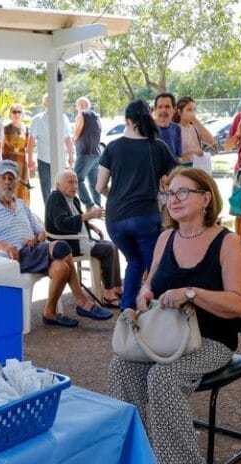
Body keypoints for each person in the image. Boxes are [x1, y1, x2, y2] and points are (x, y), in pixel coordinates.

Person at [109, 167, 241, 464]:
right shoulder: (165, 239)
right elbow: (151, 282)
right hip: (167, 336)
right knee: (121, 368)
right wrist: (144, 293)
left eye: (182, 192)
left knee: (162, 378)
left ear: (206, 198)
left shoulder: (227, 243)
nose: (174, 200)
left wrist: (192, 293)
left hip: (212, 341)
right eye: (169, 193)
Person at [0, 160, 113, 327]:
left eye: (11, 178)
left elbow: (42, 231)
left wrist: (37, 238)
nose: (7, 182)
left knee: (61, 268)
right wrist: (3, 246)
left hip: (33, 251)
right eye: (3, 177)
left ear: (16, 182)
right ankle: (82, 301)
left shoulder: (21, 204)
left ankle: (49, 313)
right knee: (62, 247)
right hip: (10, 258)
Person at [96, 99, 178, 310]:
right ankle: (159, 312)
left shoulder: (113, 147)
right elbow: (177, 173)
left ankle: (127, 310)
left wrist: (115, 196)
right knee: (154, 266)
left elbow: (99, 186)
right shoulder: (158, 146)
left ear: (127, 121)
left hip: (115, 219)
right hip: (145, 216)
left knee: (134, 261)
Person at [45, 169, 123, 306]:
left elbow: (76, 217)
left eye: (76, 182)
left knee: (112, 245)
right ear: (58, 185)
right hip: (68, 244)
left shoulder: (72, 198)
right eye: (70, 182)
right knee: (108, 249)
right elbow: (62, 223)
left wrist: (90, 226)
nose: (74, 186)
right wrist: (89, 215)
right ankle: (108, 294)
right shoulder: (56, 198)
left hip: (80, 239)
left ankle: (117, 288)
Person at [30, 94, 73, 203]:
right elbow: (31, 141)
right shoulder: (38, 119)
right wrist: (30, 159)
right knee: (46, 189)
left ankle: (64, 212)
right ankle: (49, 213)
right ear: (44, 104)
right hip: (43, 160)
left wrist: (71, 157)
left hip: (60, 159)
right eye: (49, 101)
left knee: (63, 187)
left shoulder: (63, 117)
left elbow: (68, 139)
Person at [72, 97, 102, 208]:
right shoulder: (97, 116)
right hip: (96, 153)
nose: (76, 109)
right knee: (94, 183)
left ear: (81, 105)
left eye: (76, 106)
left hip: (85, 153)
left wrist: (73, 138)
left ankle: (90, 205)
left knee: (76, 180)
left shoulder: (82, 115)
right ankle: (98, 206)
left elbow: (77, 133)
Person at [174, 96, 215, 174]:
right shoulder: (175, 129)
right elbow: (174, 157)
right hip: (182, 169)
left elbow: (211, 141)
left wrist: (196, 121)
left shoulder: (195, 127)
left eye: (194, 109)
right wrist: (192, 151)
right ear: (179, 111)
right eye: (189, 110)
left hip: (198, 167)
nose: (192, 113)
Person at [2, 103, 32, 205]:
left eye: (19, 112)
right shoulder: (5, 128)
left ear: (23, 114)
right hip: (8, 163)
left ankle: (22, 214)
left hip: (22, 163)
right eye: (14, 111)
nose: (17, 114)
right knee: (9, 187)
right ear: (10, 114)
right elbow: (1, 147)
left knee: (22, 188)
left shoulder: (27, 129)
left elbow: (28, 148)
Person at [152, 92, 183, 159]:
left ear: (174, 109)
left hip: (173, 169)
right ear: (155, 109)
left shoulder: (177, 128)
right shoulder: (146, 129)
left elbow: (179, 157)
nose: (163, 110)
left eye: (167, 107)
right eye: (160, 107)